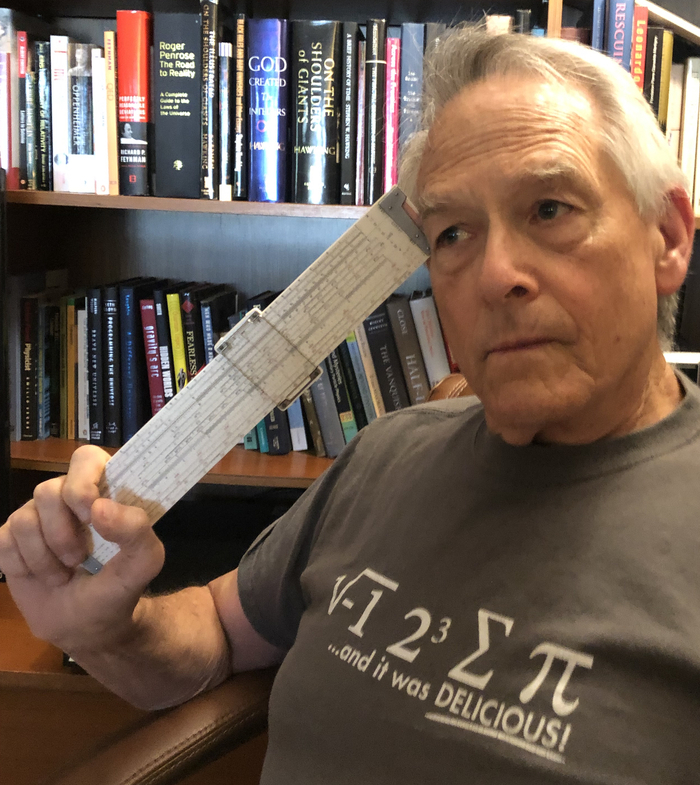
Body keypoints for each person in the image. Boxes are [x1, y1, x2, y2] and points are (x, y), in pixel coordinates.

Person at [1, 25, 699, 784]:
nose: (496, 274)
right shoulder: (389, 453)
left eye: (551, 209)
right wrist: (111, 626)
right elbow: (218, 634)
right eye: (453, 233)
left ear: (667, 237)